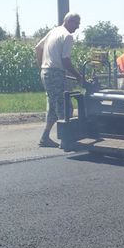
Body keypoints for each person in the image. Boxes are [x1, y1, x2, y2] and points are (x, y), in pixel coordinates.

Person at [35, 12, 82, 147]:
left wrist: (42, 67)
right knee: (65, 107)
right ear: (69, 21)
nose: (77, 27)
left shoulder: (53, 31)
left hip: (46, 73)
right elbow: (66, 61)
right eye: (76, 24)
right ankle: (67, 140)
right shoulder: (67, 36)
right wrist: (79, 76)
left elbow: (38, 48)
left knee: (53, 108)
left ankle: (45, 138)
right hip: (55, 74)